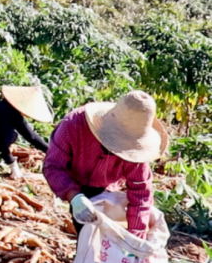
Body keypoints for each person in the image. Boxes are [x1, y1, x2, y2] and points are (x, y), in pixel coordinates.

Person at [44, 90, 168, 239]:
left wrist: (135, 237)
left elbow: (140, 192)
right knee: (85, 229)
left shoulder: (135, 152)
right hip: (72, 179)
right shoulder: (73, 125)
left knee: (102, 237)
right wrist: (74, 197)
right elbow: (53, 166)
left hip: (106, 188)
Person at [0, 86, 53, 180]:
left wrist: (52, 152)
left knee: (13, 136)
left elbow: (31, 136)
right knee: (10, 136)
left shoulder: (12, 112)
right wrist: (13, 164)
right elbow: (0, 140)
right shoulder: (2, 111)